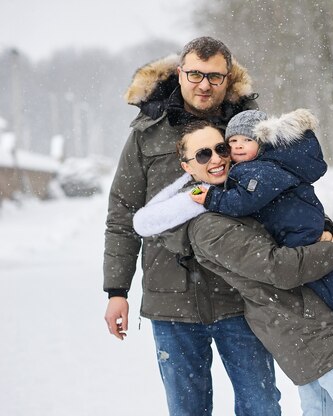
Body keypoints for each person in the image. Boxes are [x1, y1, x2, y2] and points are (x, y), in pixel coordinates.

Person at [133, 122, 333, 415]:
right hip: (299, 324)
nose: (217, 159)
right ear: (187, 167)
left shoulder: (238, 199)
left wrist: (324, 226)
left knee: (322, 411)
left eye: (221, 149)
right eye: (204, 155)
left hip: (309, 317)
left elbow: (294, 218)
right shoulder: (209, 226)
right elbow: (278, 268)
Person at [103, 36, 282, 416]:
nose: (204, 85)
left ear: (228, 77)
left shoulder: (252, 131)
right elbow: (122, 212)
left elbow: (288, 189)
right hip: (171, 300)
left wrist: (321, 232)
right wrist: (116, 290)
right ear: (180, 73)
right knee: (187, 410)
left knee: (262, 406)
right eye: (196, 74)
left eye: (215, 77)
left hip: (242, 295)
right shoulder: (146, 133)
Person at [138, 108, 333, 340]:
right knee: (314, 271)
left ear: (261, 143)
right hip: (296, 223)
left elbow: (246, 203)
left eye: (224, 148)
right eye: (231, 143)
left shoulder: (260, 171)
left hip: (295, 228)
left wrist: (212, 198)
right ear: (187, 166)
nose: (233, 150)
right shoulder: (258, 168)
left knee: (317, 273)